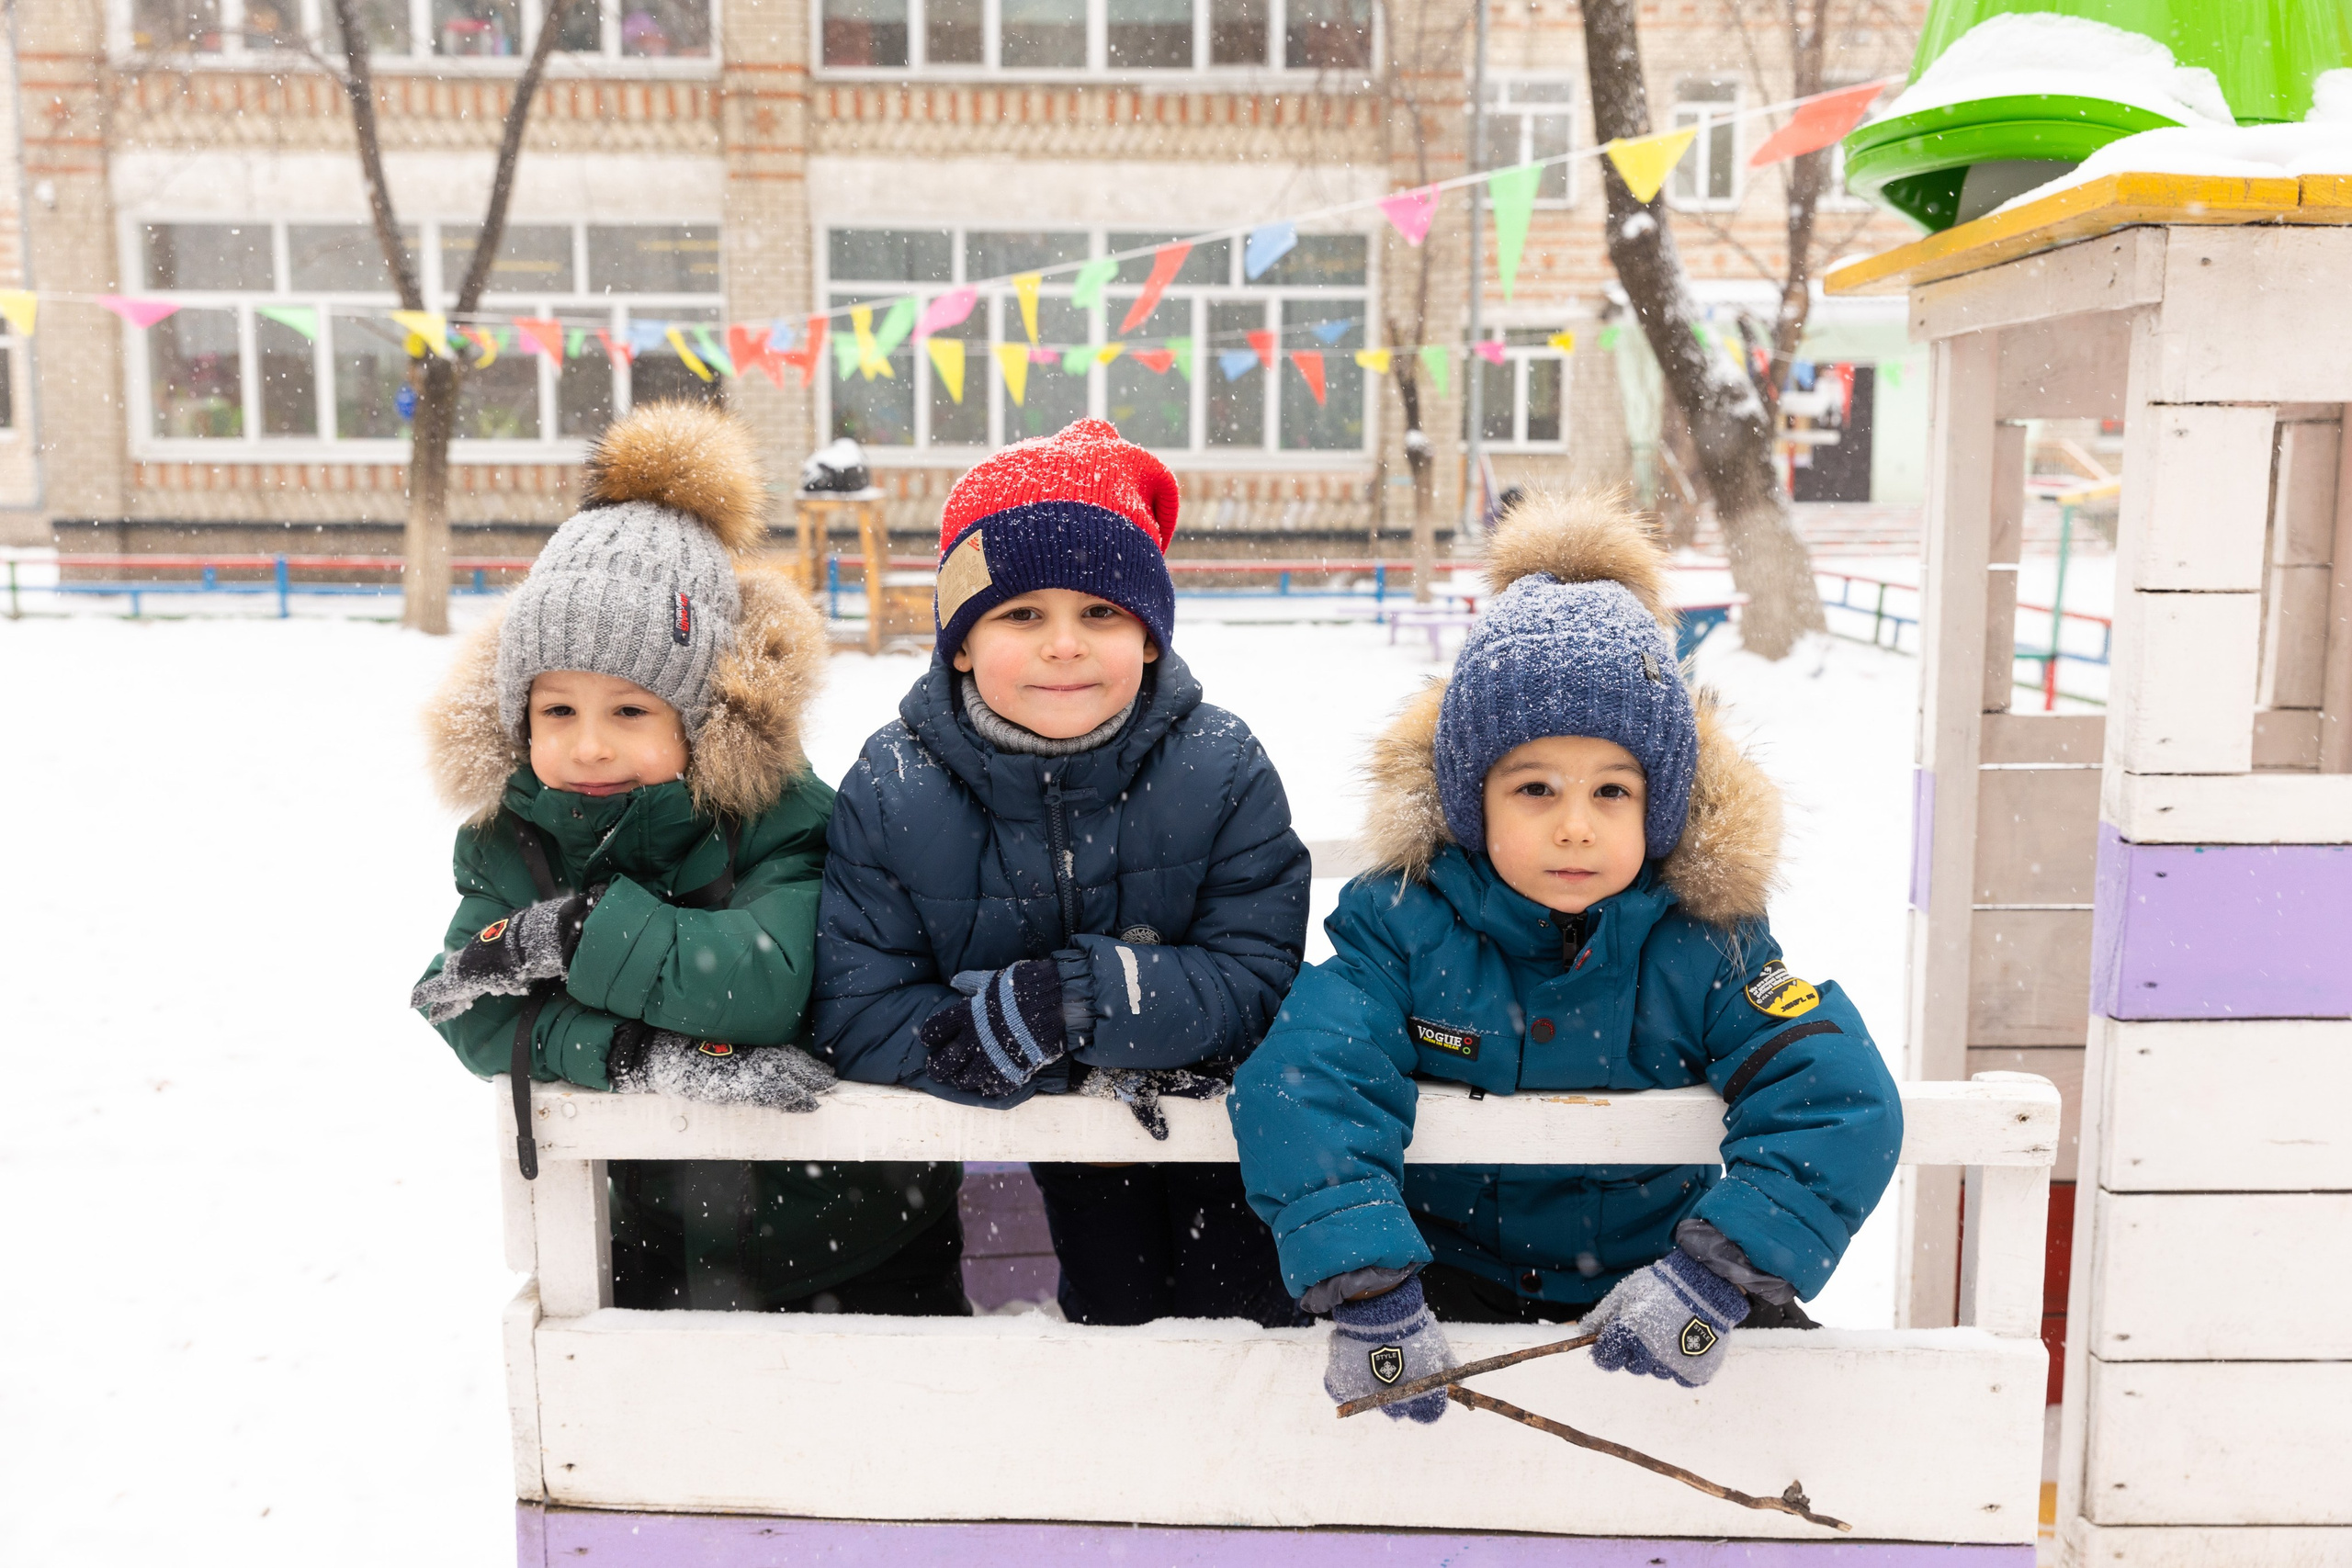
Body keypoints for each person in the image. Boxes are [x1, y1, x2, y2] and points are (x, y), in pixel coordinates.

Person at [1231, 491, 1903, 1421]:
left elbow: (1834, 1096)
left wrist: (1716, 1274)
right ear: (1473, 802)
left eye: (1613, 792)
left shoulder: (1709, 942)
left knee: (1825, 1426)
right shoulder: (1401, 926)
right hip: (1442, 1286)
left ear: (1658, 806)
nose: (1576, 826)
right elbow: (1306, 1079)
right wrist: (1367, 1281)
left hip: (1652, 1284)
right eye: (1536, 788)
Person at [412, 401, 966, 1317]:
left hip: (867, 1224)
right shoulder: (509, 839)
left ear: (703, 715)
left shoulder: (783, 819)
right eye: (557, 711)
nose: (590, 746)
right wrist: (632, 1054)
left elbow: (762, 983)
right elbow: (469, 1011)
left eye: (629, 712)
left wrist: (574, 935)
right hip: (659, 1237)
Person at [814, 418, 1311, 1329]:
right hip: (1069, 1149)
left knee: (1242, 1325)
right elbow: (855, 1003)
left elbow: (1260, 975)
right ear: (958, 641)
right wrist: (994, 1036)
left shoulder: (1222, 767)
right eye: (1020, 614)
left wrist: (1079, 1001)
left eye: (1100, 612)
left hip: (1230, 1136)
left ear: (1151, 637)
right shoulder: (893, 787)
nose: (1063, 644)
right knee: (1109, 1312)